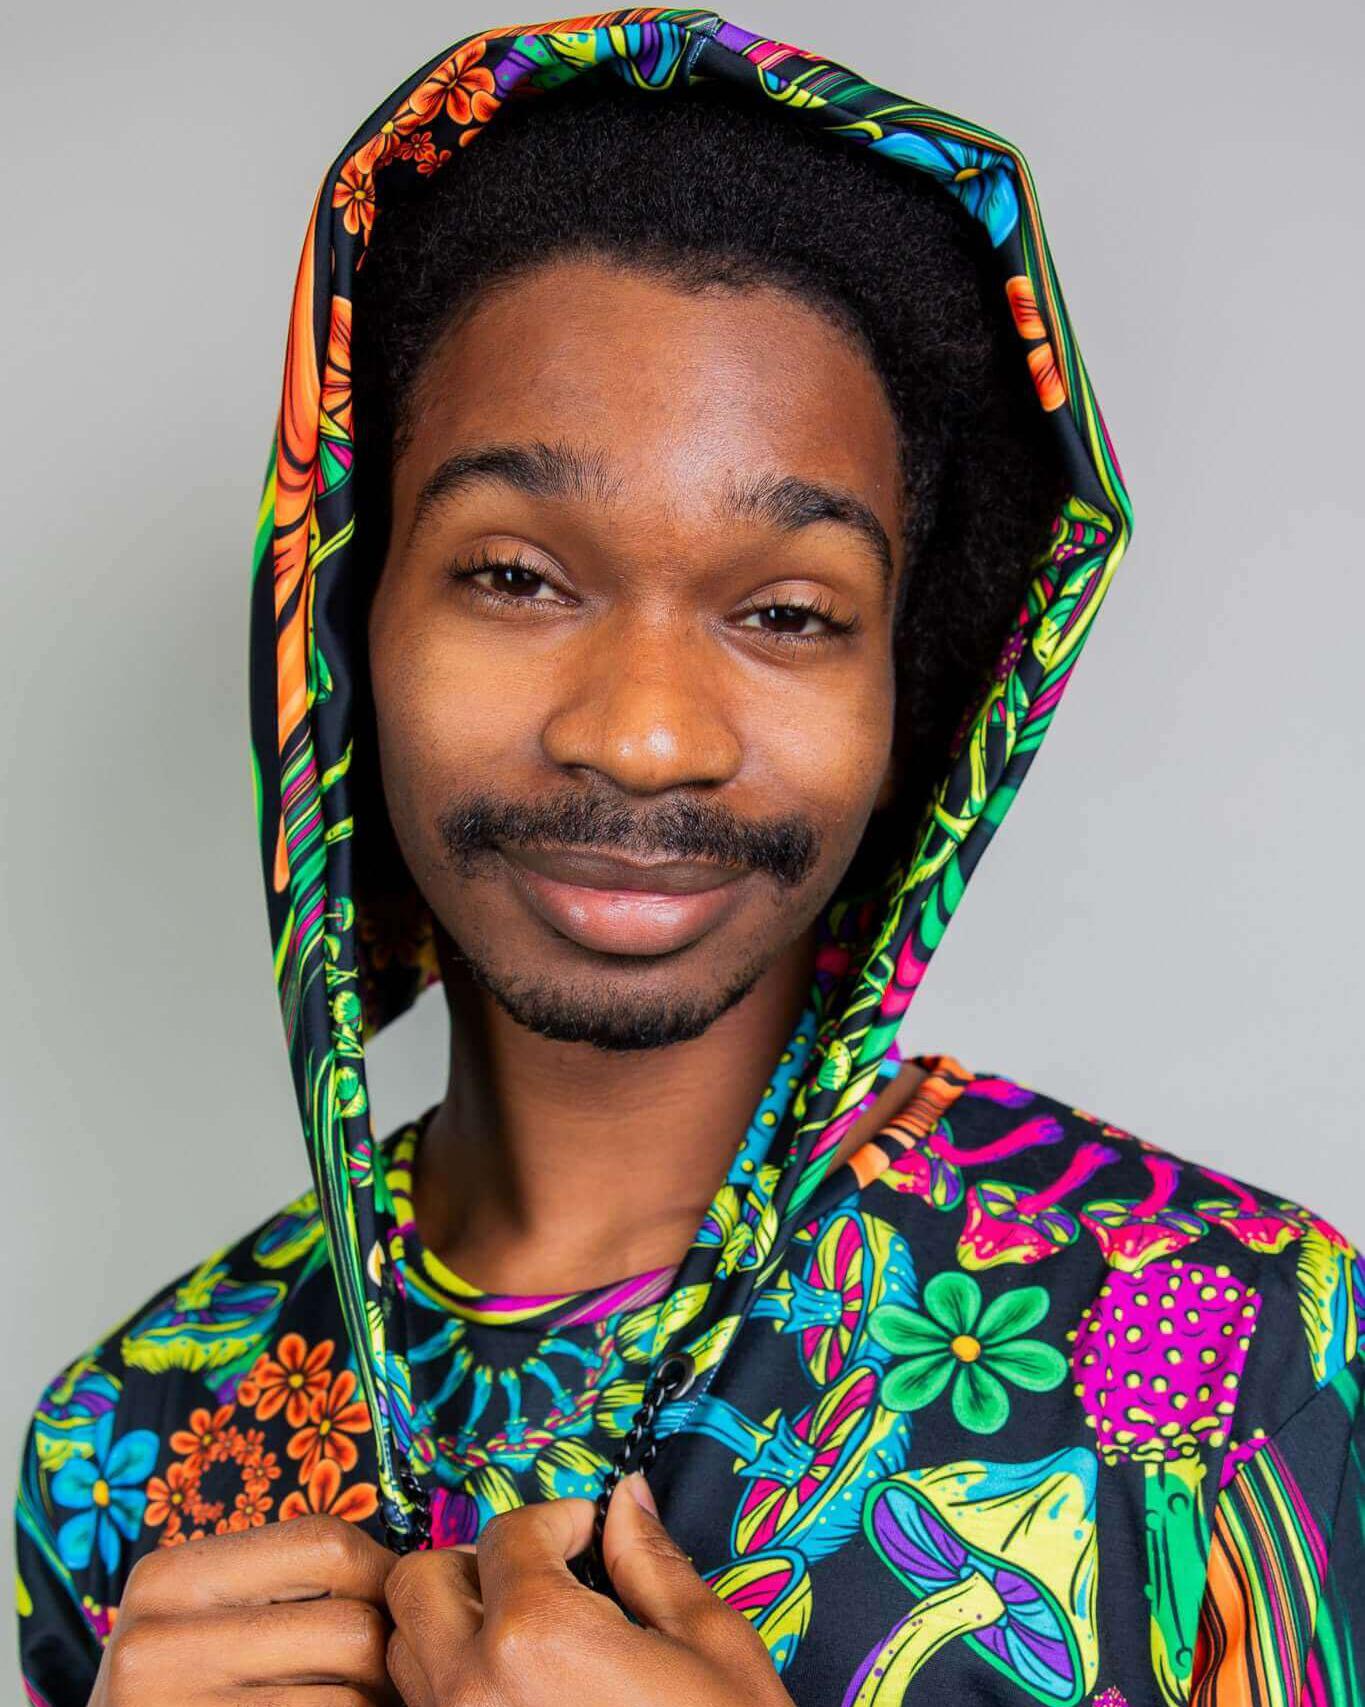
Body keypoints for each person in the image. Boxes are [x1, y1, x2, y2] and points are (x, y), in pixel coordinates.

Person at [15, 12, 1365, 1707]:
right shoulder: (124, 1445)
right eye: (516, 576)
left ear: (916, 697)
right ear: (342, 627)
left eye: (789, 613)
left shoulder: (1240, 1353)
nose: (646, 735)